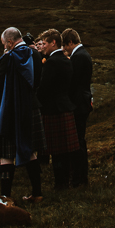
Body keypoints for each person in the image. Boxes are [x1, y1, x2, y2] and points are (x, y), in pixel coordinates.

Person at [0, 27, 47, 203]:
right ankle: (37, 193)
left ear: (9, 42)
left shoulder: (8, 57)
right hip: (30, 107)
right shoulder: (35, 55)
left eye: (3, 44)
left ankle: (6, 195)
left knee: (6, 154)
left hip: (10, 110)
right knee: (29, 150)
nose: (4, 47)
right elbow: (37, 81)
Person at [34, 30, 78, 192]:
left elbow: (44, 87)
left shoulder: (52, 62)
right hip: (64, 106)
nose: (43, 47)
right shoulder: (66, 60)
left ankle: (60, 183)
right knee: (64, 150)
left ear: (53, 42)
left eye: (44, 44)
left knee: (57, 150)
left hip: (53, 109)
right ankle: (65, 181)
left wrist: (36, 99)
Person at [63, 28, 93, 187]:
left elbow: (72, 82)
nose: (65, 49)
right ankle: (80, 176)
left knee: (78, 142)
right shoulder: (83, 54)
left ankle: (80, 177)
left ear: (70, 42)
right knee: (80, 141)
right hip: (83, 102)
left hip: (78, 104)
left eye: (65, 46)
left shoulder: (78, 57)